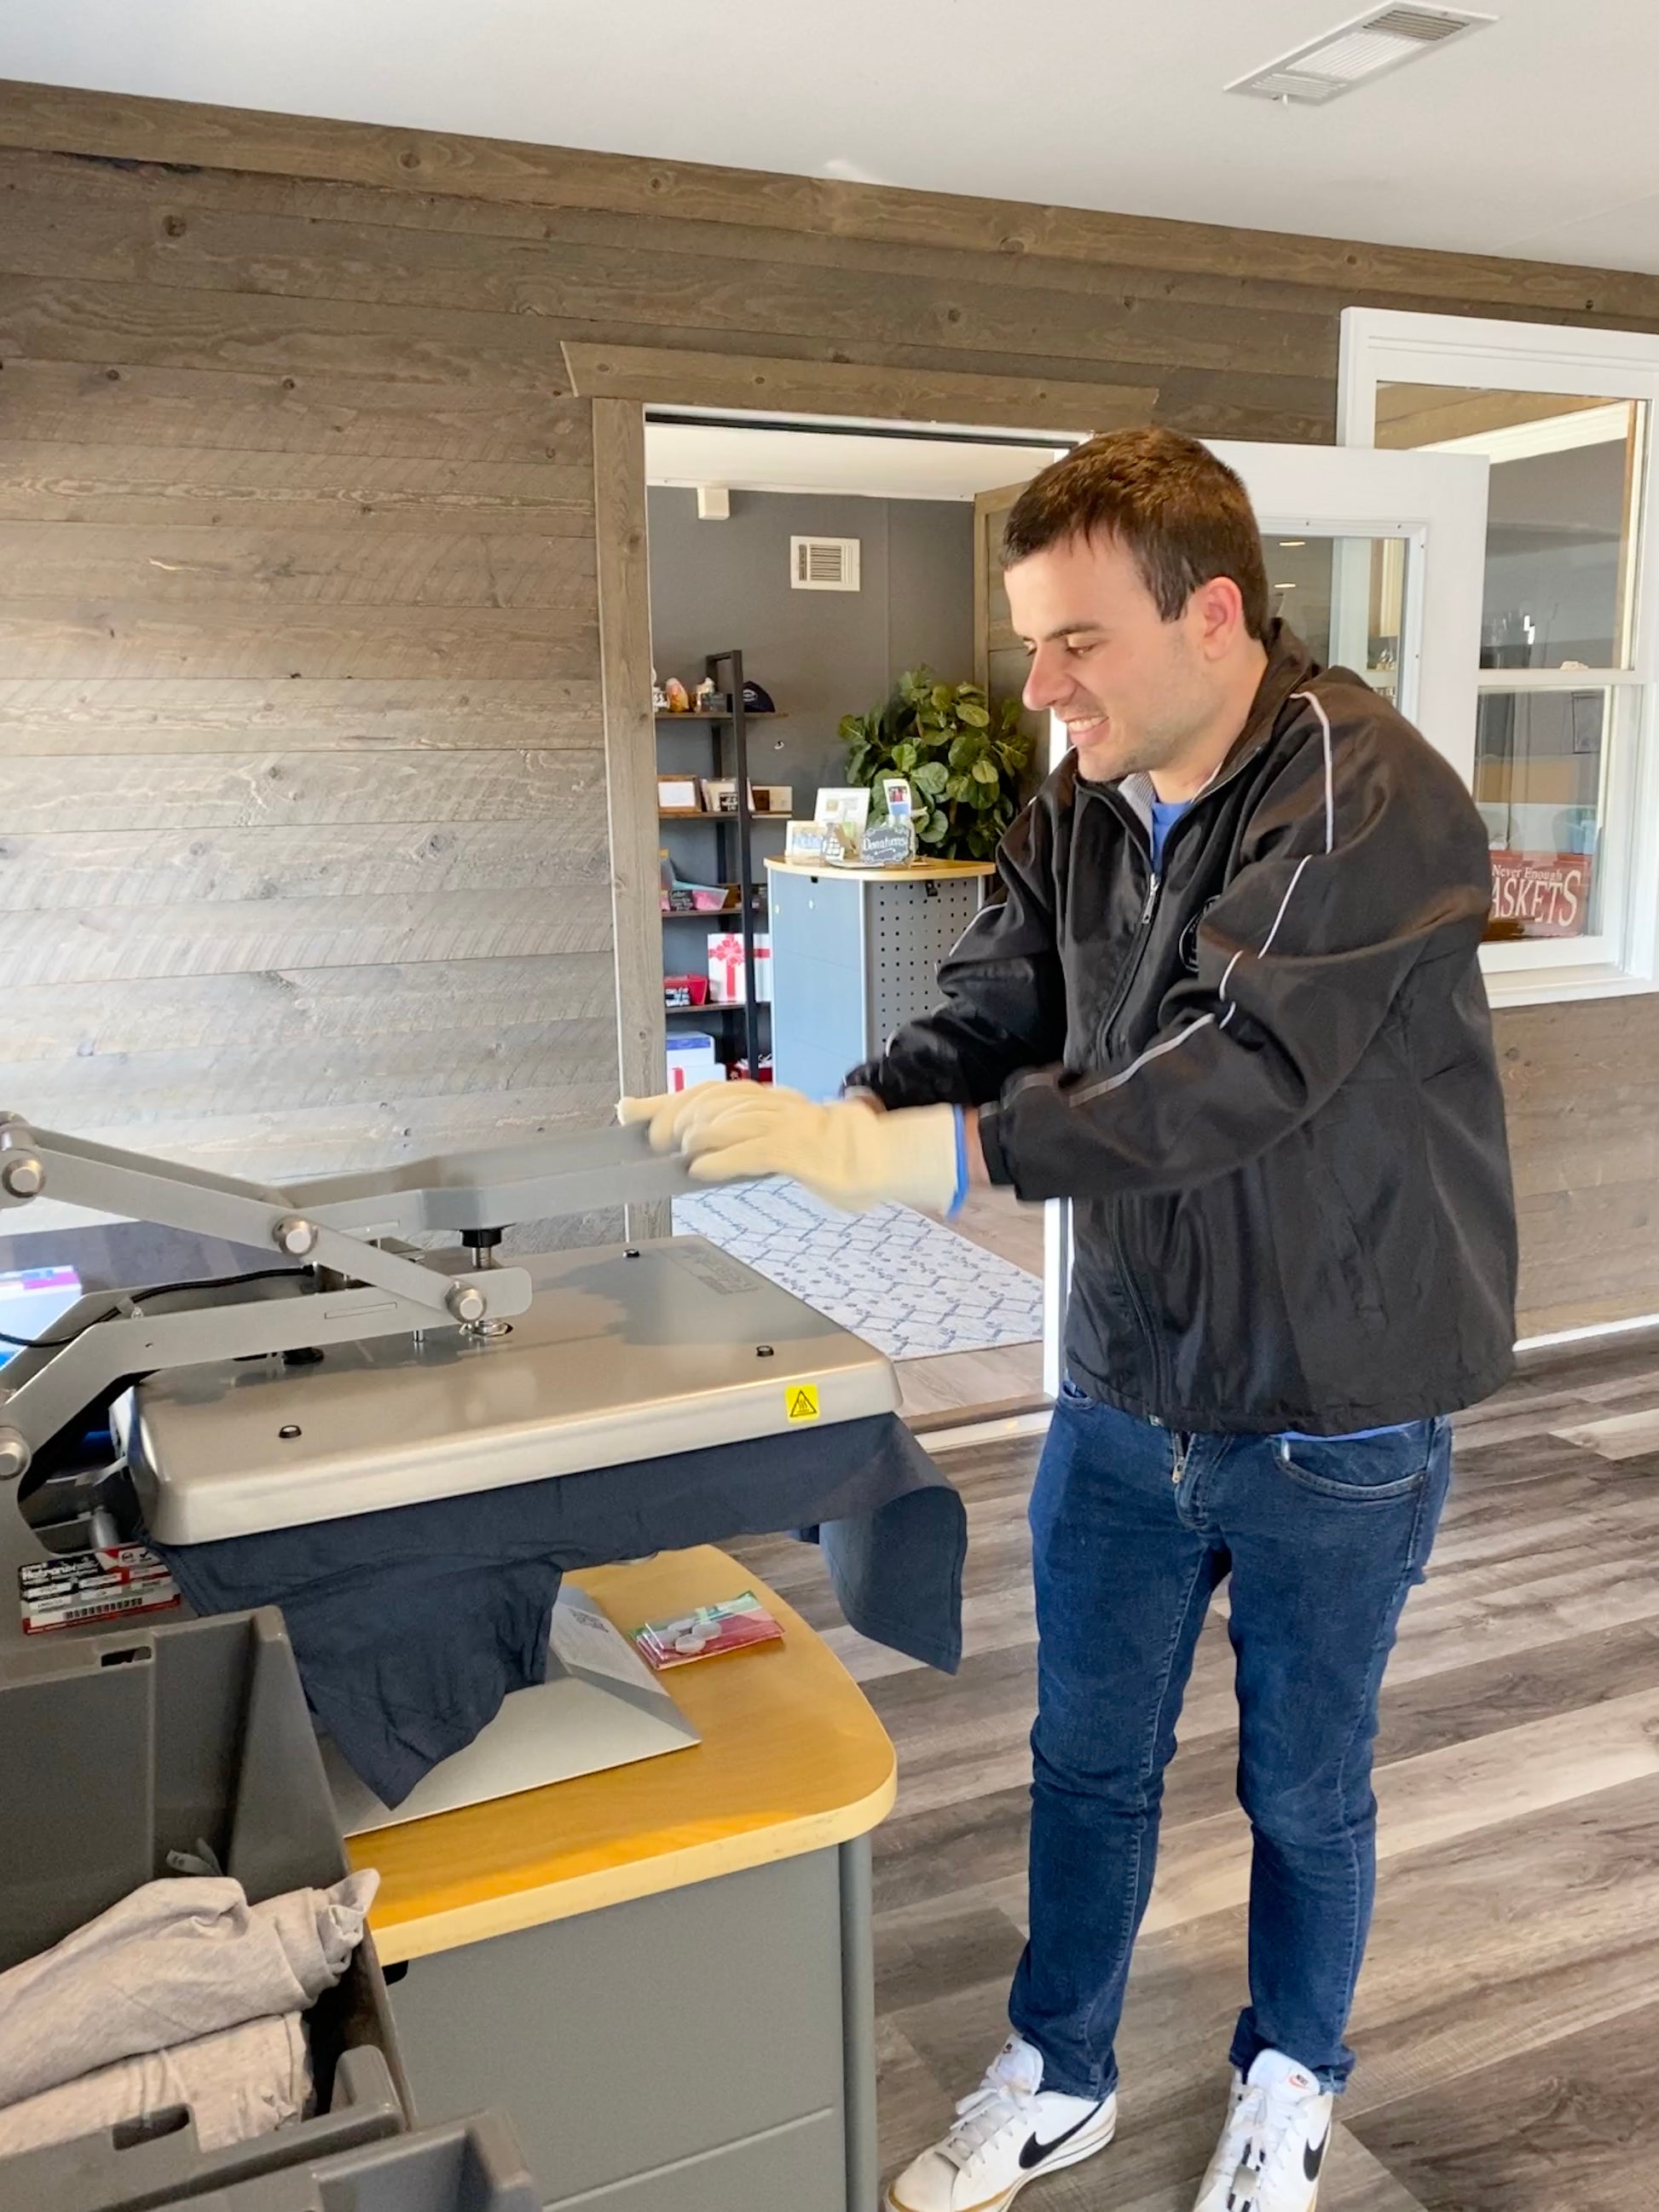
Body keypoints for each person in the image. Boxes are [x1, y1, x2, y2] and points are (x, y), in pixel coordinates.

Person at [623, 426, 1517, 2212]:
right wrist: (852, 1115)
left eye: (1073, 641)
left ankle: (1289, 2073)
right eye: (1032, 641)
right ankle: (1063, 2066)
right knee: (1084, 1755)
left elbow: (1230, 1064)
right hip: (1125, 1381)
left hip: (1331, 1400)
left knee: (1304, 1783)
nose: (1036, 682)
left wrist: (941, 1157)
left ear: (1208, 615)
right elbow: (993, 1000)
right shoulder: (1071, 802)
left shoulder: (1363, 791)